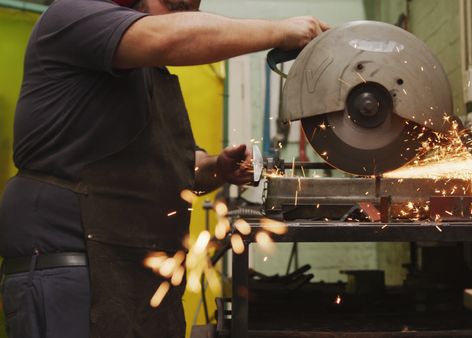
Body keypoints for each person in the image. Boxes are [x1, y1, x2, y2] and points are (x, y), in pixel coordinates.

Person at [0, 0, 328, 336]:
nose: (184, 20)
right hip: (72, 270)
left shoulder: (146, 71)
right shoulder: (72, 16)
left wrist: (217, 167)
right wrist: (281, 30)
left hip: (136, 279)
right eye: (173, 8)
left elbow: (174, 169)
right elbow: (169, 37)